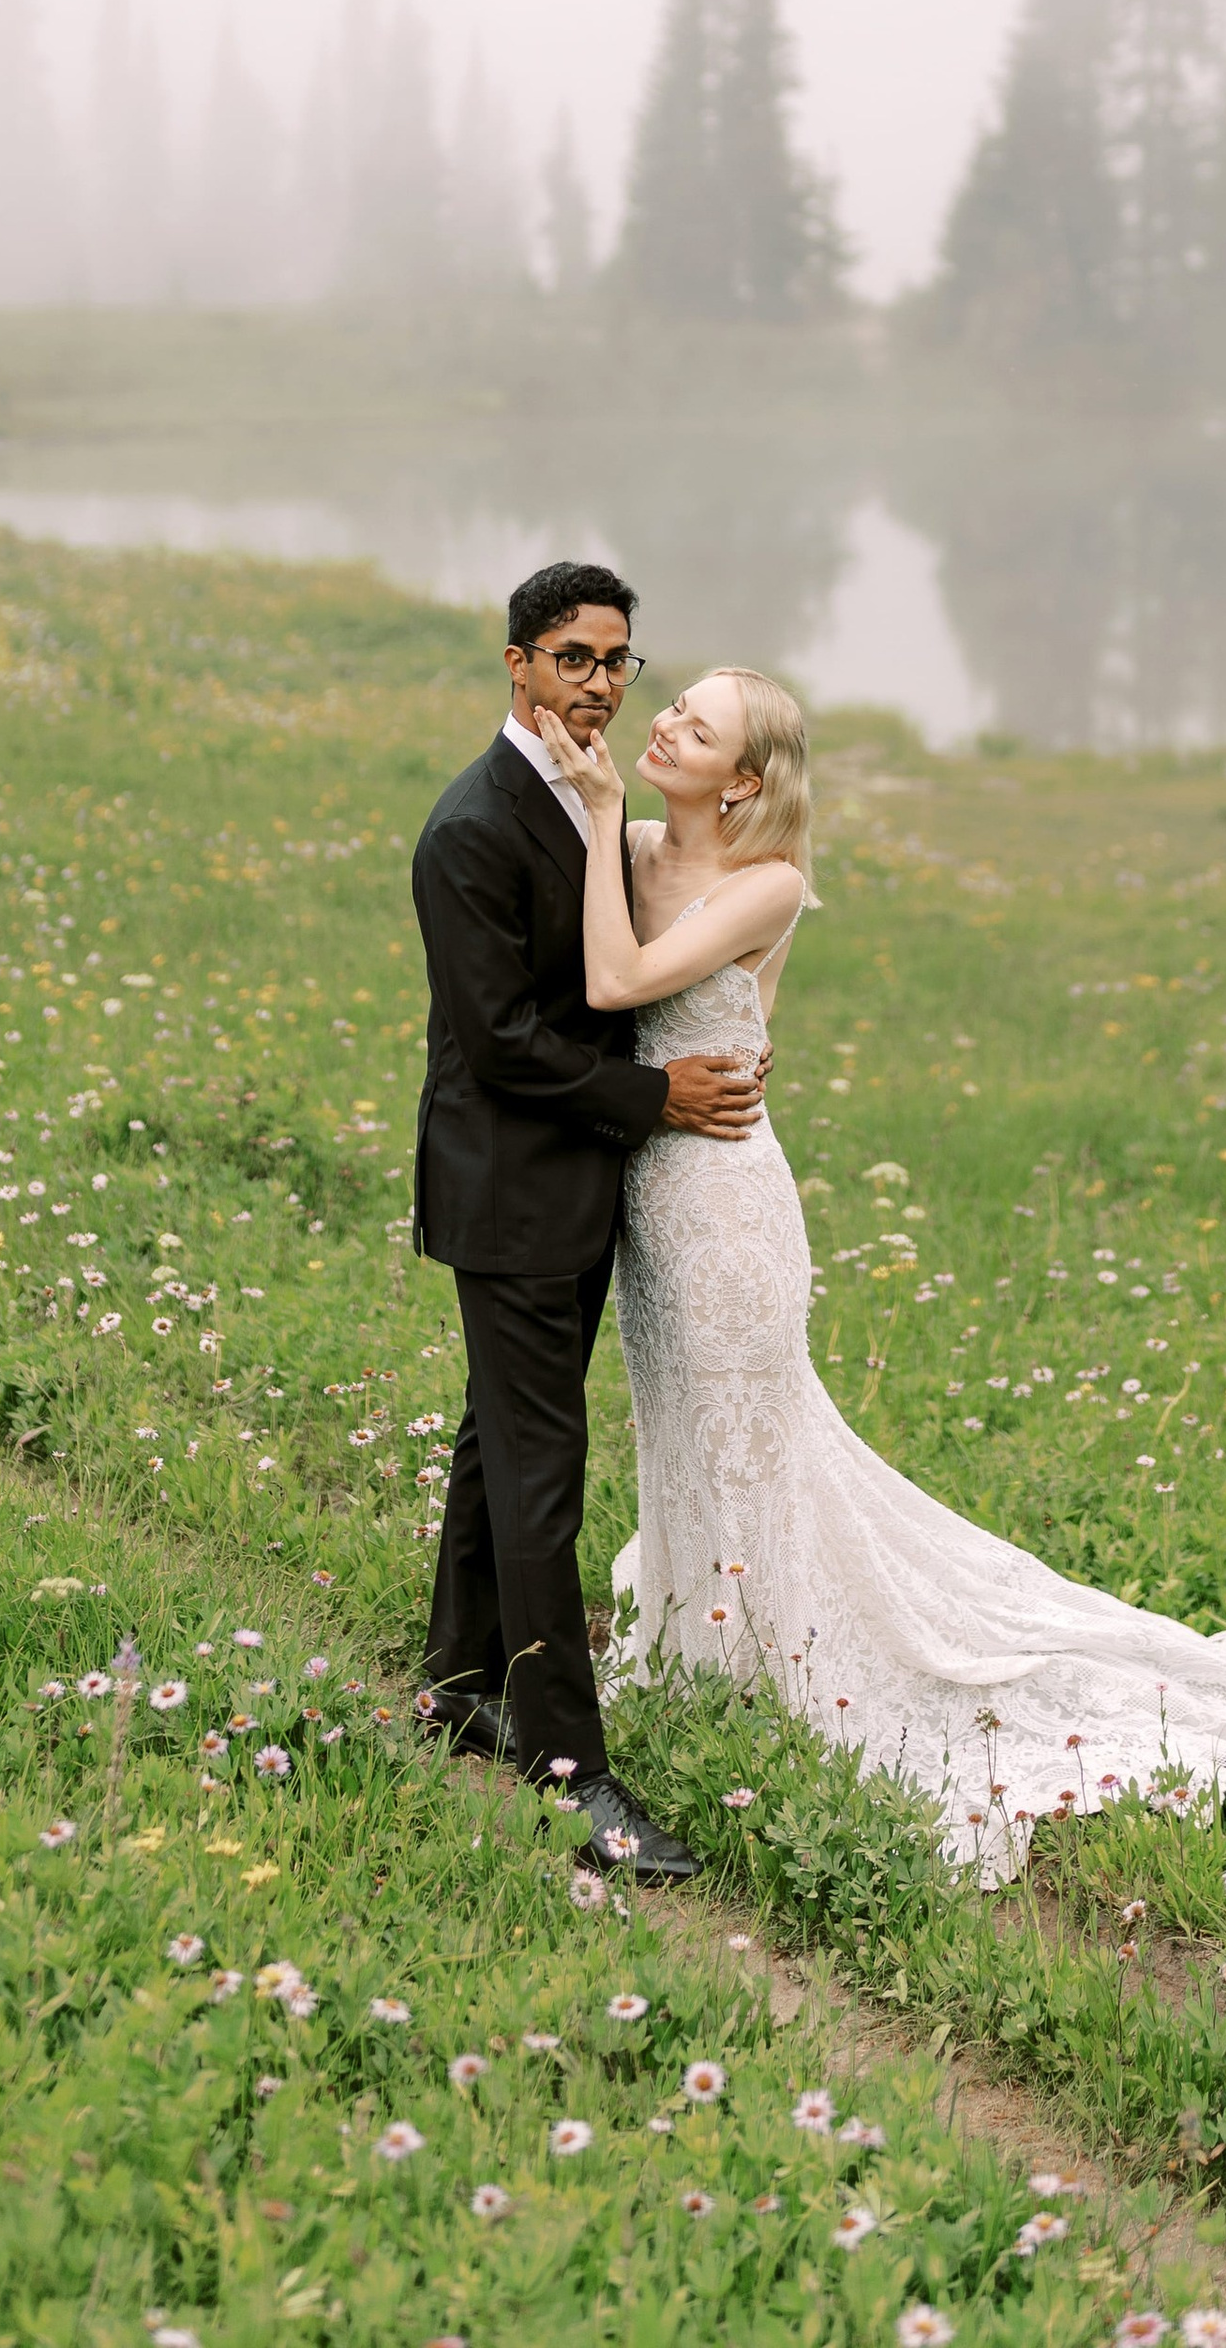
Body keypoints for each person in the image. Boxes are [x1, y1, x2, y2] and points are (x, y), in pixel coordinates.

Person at [535, 664, 1226, 1880]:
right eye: (671, 705)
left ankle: (794, 1665)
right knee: (680, 1428)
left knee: (754, 1434)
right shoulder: (626, 849)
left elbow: (617, 982)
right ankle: (707, 1646)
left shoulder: (765, 879)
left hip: (727, 1202)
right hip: (646, 1201)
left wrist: (589, 814)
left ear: (743, 781)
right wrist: (593, 823)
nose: (664, 720)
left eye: (698, 724)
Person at [410, 560, 763, 1879]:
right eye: (574, 660)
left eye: (619, 662)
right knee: (542, 1479)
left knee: (498, 1444)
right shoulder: (471, 829)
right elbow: (499, 1045)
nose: (602, 685)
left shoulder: (582, 794)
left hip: (572, 1189)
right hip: (507, 1193)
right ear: (517, 663)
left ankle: (457, 1682)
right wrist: (653, 1095)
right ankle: (572, 1773)